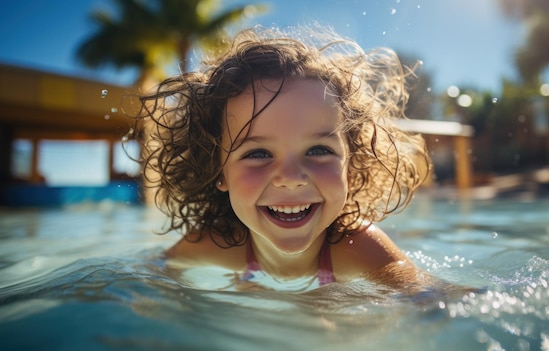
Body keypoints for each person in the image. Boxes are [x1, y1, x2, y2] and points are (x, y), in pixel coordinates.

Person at [135, 25, 467, 295]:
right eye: (258, 154)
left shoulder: (356, 247)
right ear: (217, 169)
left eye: (319, 150)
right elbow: (146, 278)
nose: (291, 177)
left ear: (351, 163)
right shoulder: (218, 243)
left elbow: (435, 299)